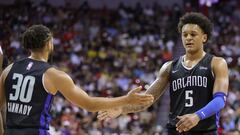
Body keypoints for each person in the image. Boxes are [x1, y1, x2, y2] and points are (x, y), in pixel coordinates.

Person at [0, 25, 154, 135]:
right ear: (49, 44)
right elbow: (89, 104)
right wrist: (126, 99)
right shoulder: (53, 75)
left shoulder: (8, 70)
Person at [98, 12, 229, 135]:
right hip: (175, 131)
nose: (188, 38)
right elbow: (146, 100)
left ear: (204, 37)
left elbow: (220, 100)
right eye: (185, 34)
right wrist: (122, 109)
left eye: (193, 34)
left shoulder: (216, 63)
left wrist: (197, 116)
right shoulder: (169, 67)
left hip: (204, 131)